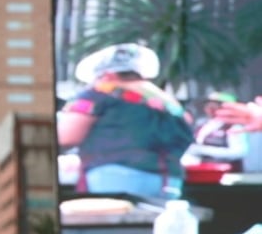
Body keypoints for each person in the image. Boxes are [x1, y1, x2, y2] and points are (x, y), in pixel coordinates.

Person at [57, 43, 194, 199]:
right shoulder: (166, 100)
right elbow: (186, 130)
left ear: (108, 74)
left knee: (114, 223)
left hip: (114, 176)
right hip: (169, 179)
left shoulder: (100, 92)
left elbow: (67, 136)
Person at [184, 92, 249, 172]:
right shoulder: (202, 124)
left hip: (227, 174)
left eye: (216, 105)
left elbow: (239, 152)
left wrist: (204, 150)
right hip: (203, 171)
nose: (211, 108)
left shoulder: (234, 126)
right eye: (208, 105)